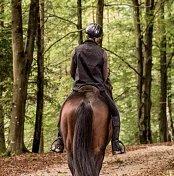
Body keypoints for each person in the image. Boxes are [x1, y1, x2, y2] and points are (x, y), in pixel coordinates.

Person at [52, 23, 124, 155]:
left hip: (79, 88)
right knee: (115, 113)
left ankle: (60, 141)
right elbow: (104, 76)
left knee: (63, 110)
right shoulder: (103, 53)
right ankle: (116, 144)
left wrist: (80, 80)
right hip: (99, 89)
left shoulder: (76, 50)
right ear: (98, 38)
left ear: (86, 35)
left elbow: (72, 73)